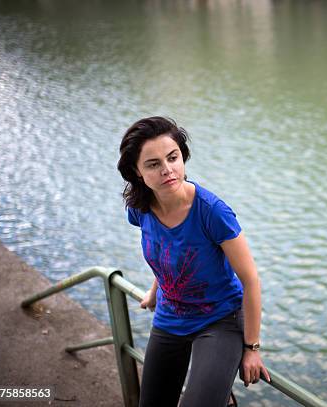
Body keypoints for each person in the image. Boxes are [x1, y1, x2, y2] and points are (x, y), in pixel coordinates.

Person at [117, 116, 270, 407]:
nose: (167, 170)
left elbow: (251, 281)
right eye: (153, 164)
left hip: (220, 320)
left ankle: (218, 392)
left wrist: (251, 348)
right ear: (137, 173)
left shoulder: (212, 212)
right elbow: (167, 253)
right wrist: (154, 292)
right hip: (170, 317)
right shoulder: (140, 210)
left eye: (173, 157)